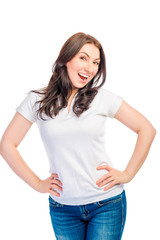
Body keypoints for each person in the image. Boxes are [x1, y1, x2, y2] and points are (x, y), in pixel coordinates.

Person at [0, 32, 156, 240]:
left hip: (106, 204)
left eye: (96, 62)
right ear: (66, 58)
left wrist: (128, 174)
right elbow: (7, 145)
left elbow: (146, 129)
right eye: (83, 58)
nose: (90, 68)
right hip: (63, 208)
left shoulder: (101, 98)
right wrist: (38, 184)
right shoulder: (36, 100)